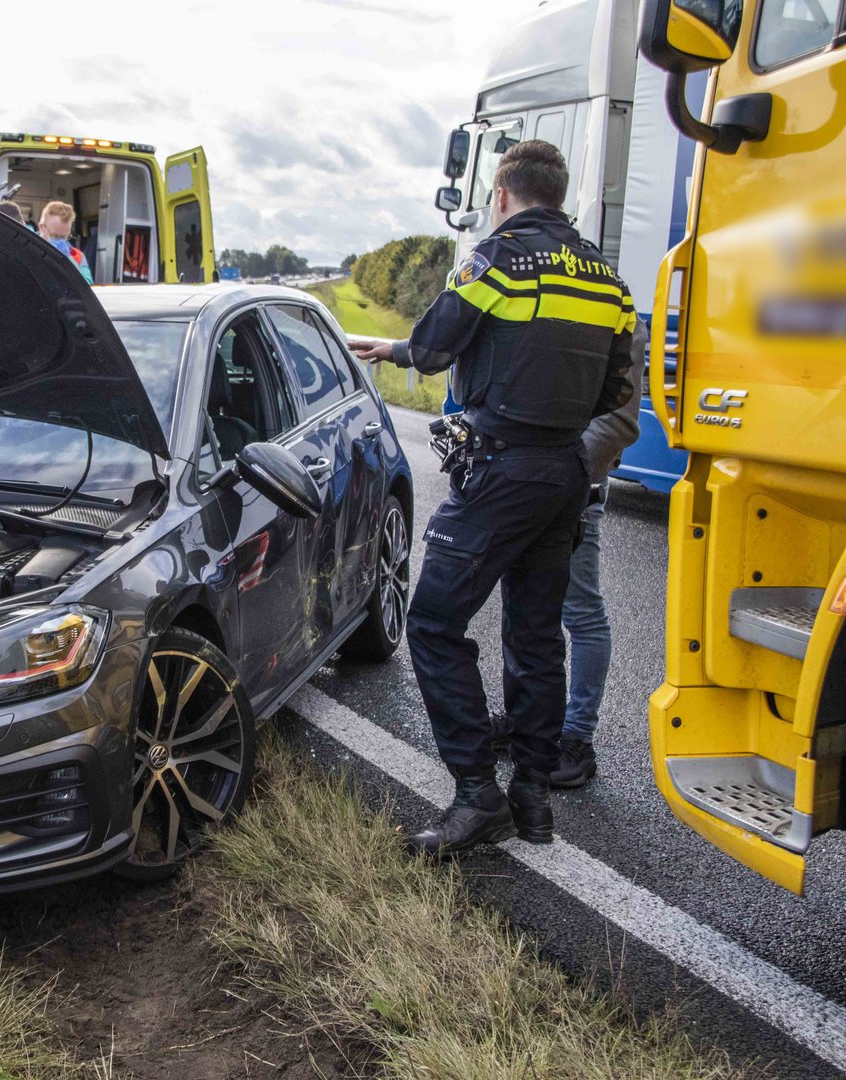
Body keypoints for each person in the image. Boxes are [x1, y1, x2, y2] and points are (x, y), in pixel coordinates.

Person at [349, 140, 636, 854]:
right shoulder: (608, 279)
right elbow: (612, 391)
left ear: (503, 195)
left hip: (500, 470)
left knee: (436, 623)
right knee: (537, 638)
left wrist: (403, 350)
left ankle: (477, 796)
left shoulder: (496, 259)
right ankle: (533, 800)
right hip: (566, 473)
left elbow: (440, 343)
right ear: (558, 193)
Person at [487, 316, 645, 787]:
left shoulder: (619, 314)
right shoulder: (540, 296)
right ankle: (525, 722)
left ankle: (577, 737)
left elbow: (618, 422)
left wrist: (563, 476)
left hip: (573, 490)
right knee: (524, 608)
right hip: (523, 482)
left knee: (580, 611)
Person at [38, 201, 94, 283]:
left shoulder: (77, 256)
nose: (60, 241)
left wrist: (69, 262)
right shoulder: (27, 249)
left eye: (64, 236)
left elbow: (88, 286)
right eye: (55, 236)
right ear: (42, 227)